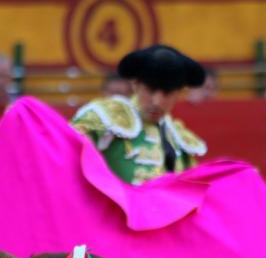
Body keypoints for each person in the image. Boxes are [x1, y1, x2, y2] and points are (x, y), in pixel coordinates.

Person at [71, 44, 207, 185]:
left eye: (167, 93)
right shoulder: (106, 117)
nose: (157, 102)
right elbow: (68, 154)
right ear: (135, 84)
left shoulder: (179, 139)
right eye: (150, 90)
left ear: (179, 93)